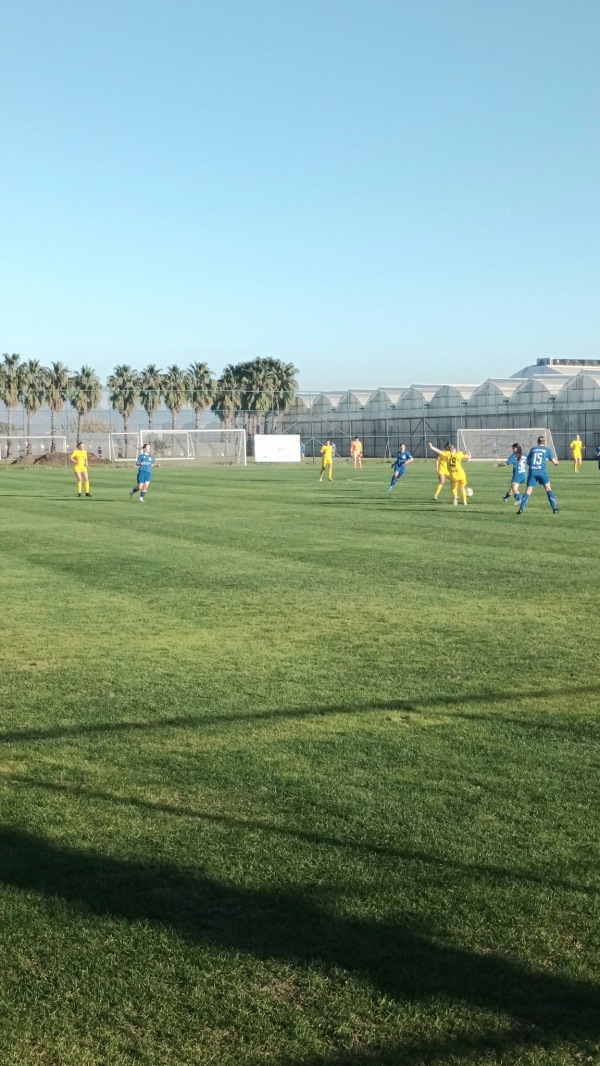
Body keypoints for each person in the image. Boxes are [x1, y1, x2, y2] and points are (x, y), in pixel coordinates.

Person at [516, 436, 559, 515]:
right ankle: (554, 508)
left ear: (537, 442)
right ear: (544, 442)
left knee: (528, 491)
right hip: (542, 472)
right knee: (548, 488)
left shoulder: (533, 449)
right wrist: (557, 463)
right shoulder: (546, 450)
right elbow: (554, 462)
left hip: (532, 471)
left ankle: (521, 508)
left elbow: (528, 462)